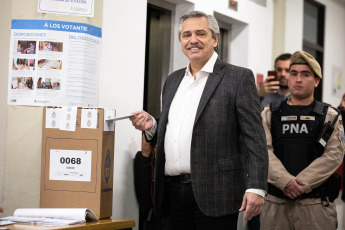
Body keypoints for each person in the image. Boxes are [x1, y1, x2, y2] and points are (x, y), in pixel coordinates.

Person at [130, 11, 268, 230]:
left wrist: (257, 187)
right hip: (172, 193)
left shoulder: (238, 78)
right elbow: (175, 131)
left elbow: (255, 139)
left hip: (217, 193)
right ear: (181, 42)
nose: (192, 40)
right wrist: (152, 127)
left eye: (200, 33)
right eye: (186, 35)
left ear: (215, 39)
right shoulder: (173, 80)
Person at [260, 51, 345, 230]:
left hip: (315, 208)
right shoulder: (269, 113)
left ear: (316, 81)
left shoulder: (330, 116)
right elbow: (263, 151)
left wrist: (300, 184)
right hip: (275, 205)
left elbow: (333, 155)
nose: (298, 79)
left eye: (305, 74)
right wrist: (285, 182)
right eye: (294, 74)